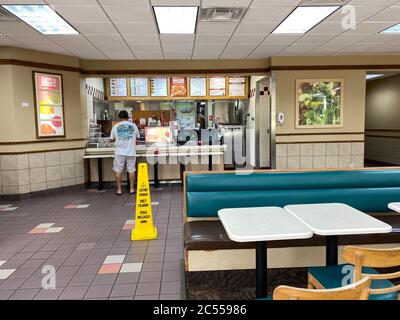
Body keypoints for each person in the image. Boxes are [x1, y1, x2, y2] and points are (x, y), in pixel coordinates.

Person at [110, 110, 140, 195]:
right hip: (131, 151)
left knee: (118, 171)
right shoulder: (133, 126)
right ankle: (132, 189)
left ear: (119, 117)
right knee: (131, 170)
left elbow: (111, 139)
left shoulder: (115, 127)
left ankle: (119, 190)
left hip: (119, 152)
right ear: (128, 117)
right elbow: (138, 138)